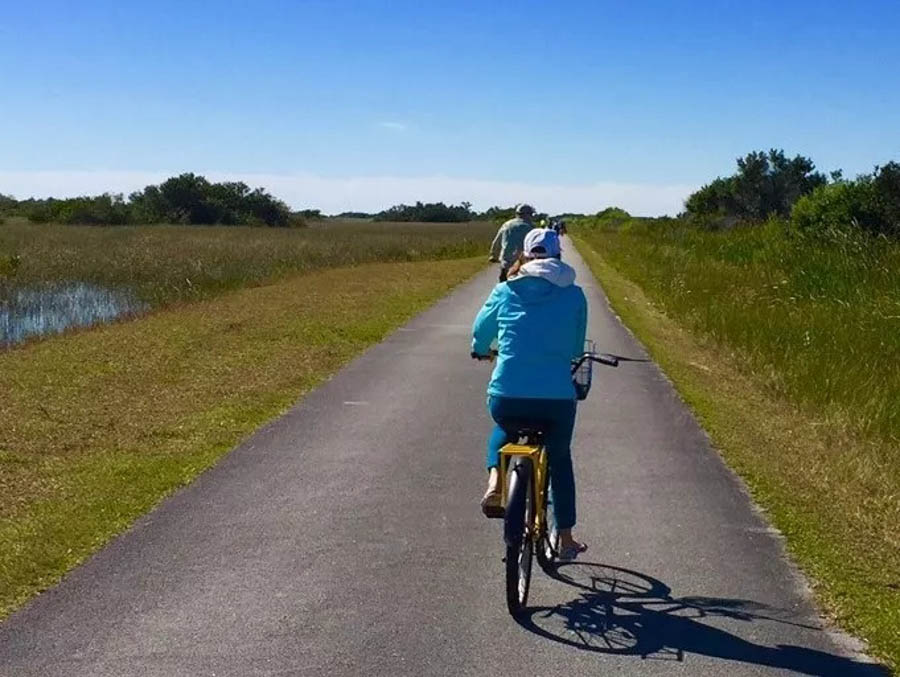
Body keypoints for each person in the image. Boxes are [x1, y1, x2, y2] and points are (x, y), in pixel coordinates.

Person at [471, 228, 589, 560]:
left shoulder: (506, 289)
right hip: (556, 399)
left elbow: (480, 333)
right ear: (557, 255)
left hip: (508, 394)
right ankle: (565, 539)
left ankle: (495, 480)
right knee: (560, 457)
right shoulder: (575, 294)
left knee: (504, 427)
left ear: (524, 254)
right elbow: (575, 347)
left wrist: (481, 350)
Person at [489, 204, 535, 282]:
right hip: (524, 264)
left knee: (503, 287)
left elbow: (497, 241)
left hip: (507, 262)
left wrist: (494, 255)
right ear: (528, 215)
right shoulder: (531, 228)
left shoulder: (507, 225)